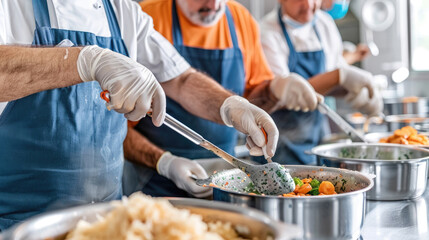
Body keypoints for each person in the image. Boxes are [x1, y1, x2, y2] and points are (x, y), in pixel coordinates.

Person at [0, 0, 280, 230]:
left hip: (108, 224)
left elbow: (180, 78)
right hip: (23, 224)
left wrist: (230, 106)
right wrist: (85, 60)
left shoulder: (122, 11)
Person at [122, 0, 323, 198]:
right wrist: (164, 162)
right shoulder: (147, 19)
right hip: (154, 182)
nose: (214, 5)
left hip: (225, 179)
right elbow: (119, 129)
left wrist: (275, 90)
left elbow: (250, 98)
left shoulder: (240, 20)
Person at [259, 0, 383, 165]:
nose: (309, 5)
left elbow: (332, 80)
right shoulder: (267, 32)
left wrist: (355, 91)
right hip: (280, 144)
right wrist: (339, 76)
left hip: (318, 136)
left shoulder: (324, 23)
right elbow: (283, 95)